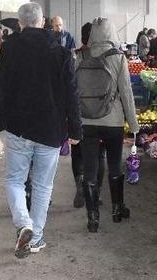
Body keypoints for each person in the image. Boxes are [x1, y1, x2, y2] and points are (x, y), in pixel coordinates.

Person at [0, 2, 81, 258]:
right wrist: (75, 129)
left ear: (20, 23)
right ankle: (36, 237)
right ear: (42, 22)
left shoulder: (9, 48)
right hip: (51, 129)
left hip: (19, 127)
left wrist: (2, 120)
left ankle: (24, 224)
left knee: (14, 180)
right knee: (43, 186)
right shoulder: (62, 52)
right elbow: (72, 94)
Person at [75, 18, 137, 232]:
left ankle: (93, 218)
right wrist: (134, 126)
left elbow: (73, 91)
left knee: (90, 169)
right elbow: (127, 94)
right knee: (114, 165)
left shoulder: (80, 55)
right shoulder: (118, 58)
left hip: (86, 121)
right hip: (113, 122)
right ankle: (117, 210)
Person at [71, 22, 106, 209]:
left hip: (79, 114)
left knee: (78, 152)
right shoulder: (107, 57)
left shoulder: (75, 56)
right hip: (101, 114)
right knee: (99, 154)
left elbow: (68, 86)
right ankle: (96, 193)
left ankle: (80, 183)